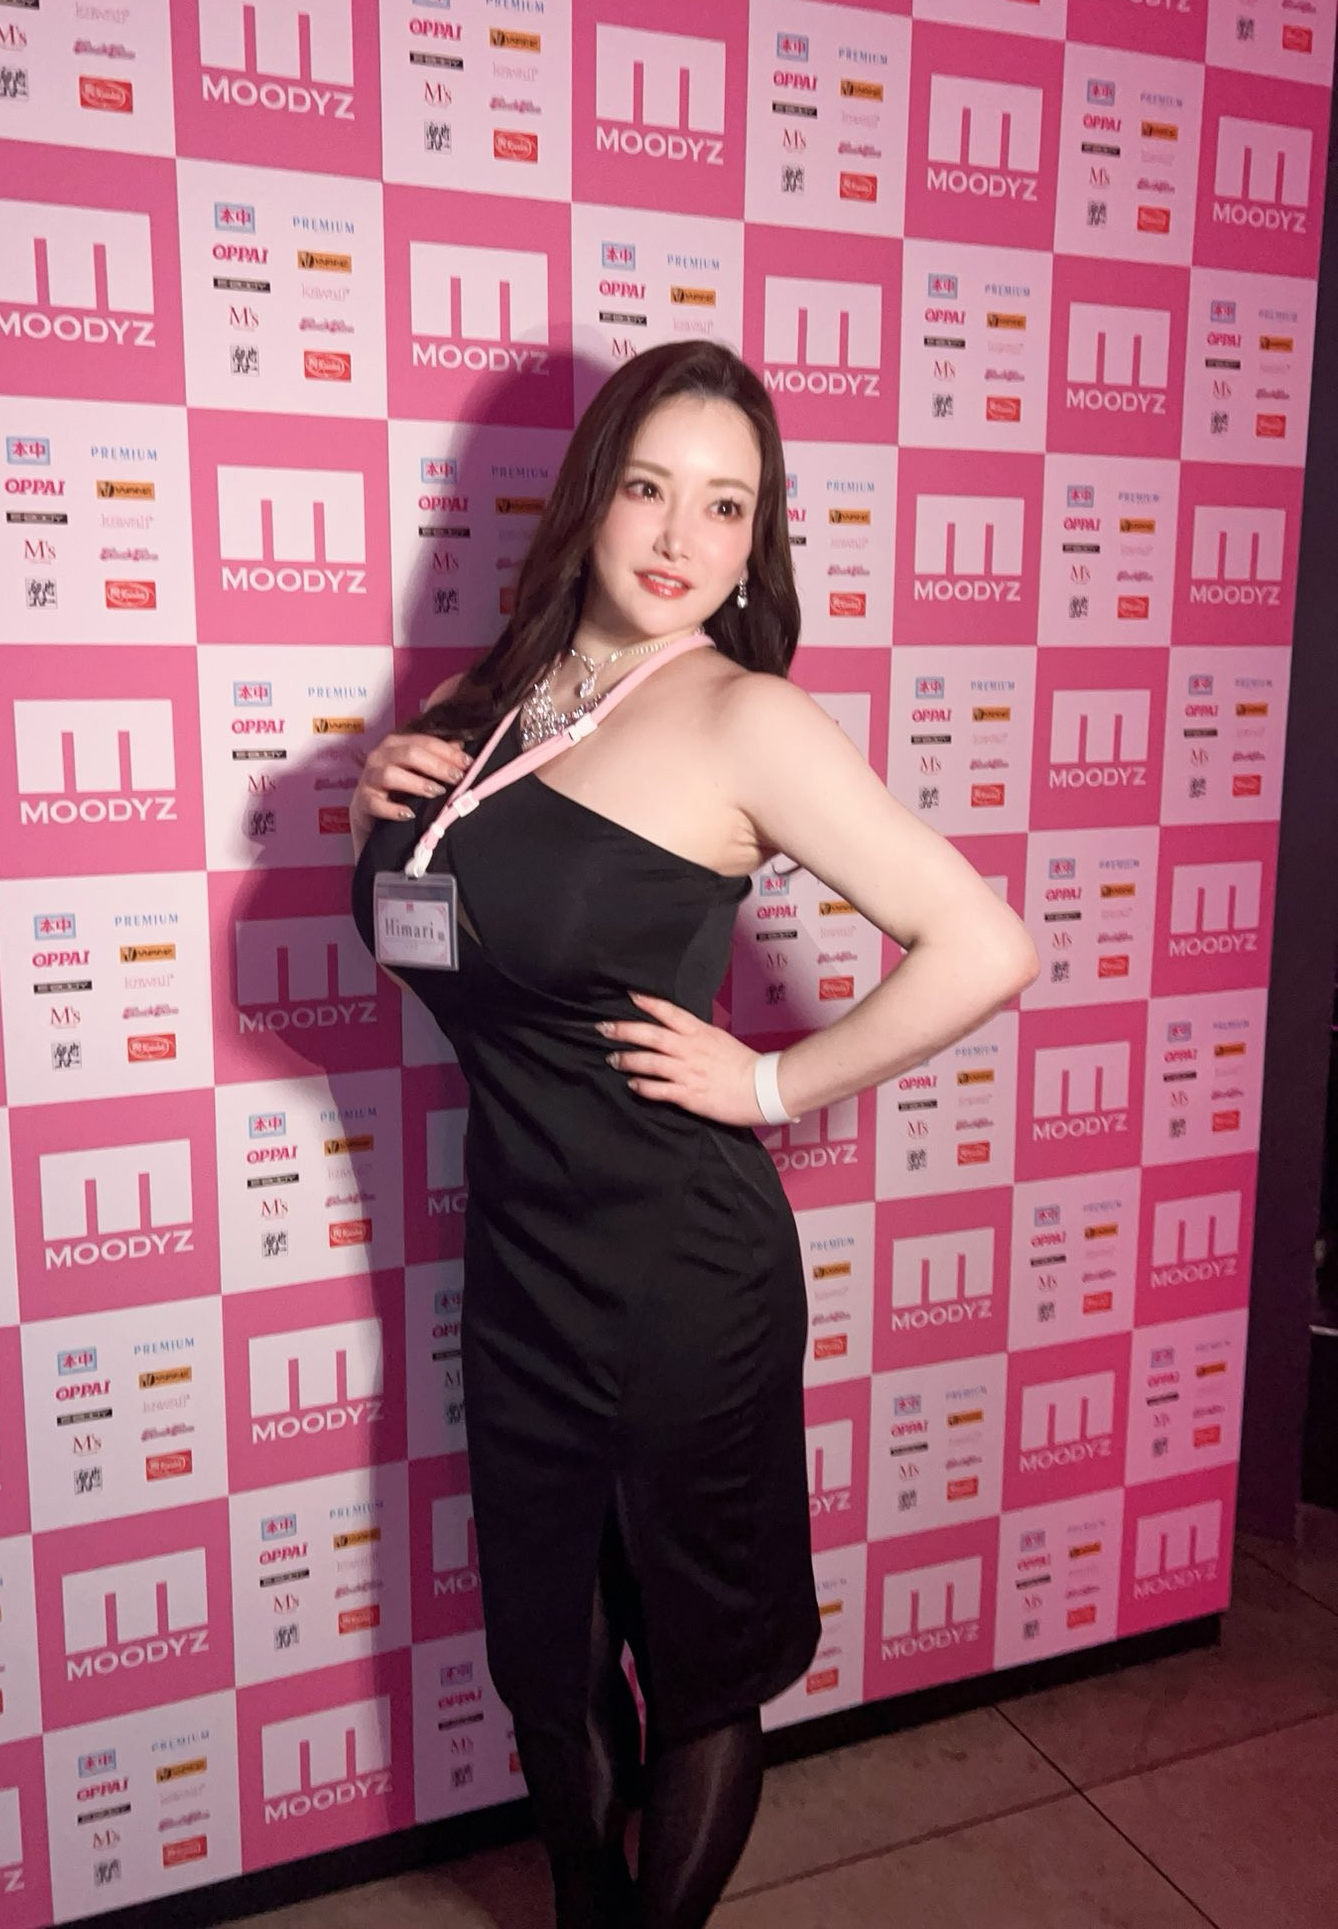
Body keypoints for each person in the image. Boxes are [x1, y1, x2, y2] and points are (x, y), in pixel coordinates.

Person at [349, 340, 1038, 1927]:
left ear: (757, 539)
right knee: (549, 1654)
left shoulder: (747, 720)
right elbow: (434, 937)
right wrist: (381, 806)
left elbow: (987, 945)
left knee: (698, 1653)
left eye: (726, 506)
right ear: (591, 493)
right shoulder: (479, 705)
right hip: (522, 1262)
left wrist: (775, 1088)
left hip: (682, 1275)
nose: (678, 535)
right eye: (650, 487)